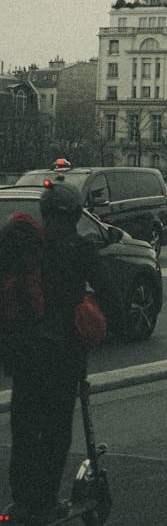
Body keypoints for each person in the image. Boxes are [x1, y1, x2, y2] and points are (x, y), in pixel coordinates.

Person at [3, 181, 103, 524]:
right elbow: (100, 284)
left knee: (25, 430)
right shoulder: (78, 248)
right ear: (74, 214)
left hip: (24, 355)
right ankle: (46, 500)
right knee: (56, 431)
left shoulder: (27, 247)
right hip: (62, 356)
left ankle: (22, 501)